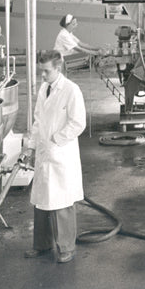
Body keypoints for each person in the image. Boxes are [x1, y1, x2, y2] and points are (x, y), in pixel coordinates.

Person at [21, 50, 87, 264]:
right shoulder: (44, 88)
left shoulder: (71, 90)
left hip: (60, 153)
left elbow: (78, 123)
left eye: (46, 71)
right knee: (41, 201)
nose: (43, 75)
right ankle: (42, 244)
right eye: (41, 71)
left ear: (58, 69)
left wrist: (56, 139)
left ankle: (67, 247)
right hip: (44, 151)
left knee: (62, 202)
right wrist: (30, 146)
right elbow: (38, 120)